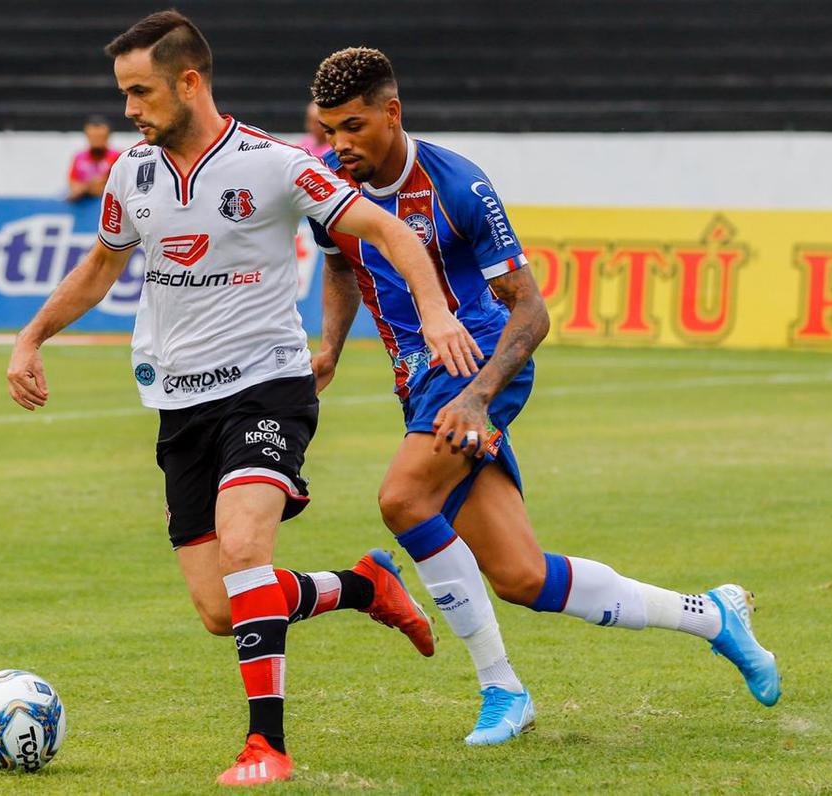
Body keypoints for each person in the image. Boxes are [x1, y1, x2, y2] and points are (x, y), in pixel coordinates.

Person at [6, 12, 486, 786]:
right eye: (124, 93)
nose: (129, 108)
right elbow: (100, 265)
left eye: (140, 92)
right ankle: (362, 585)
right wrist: (31, 338)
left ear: (188, 82)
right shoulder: (131, 173)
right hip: (180, 405)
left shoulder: (274, 165)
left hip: (267, 388)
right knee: (223, 609)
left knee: (243, 550)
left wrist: (434, 312)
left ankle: (267, 746)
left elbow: (391, 232)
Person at [307, 47, 782, 746]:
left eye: (353, 126)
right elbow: (340, 266)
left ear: (392, 113)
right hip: (419, 384)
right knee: (521, 577)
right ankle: (714, 616)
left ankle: (501, 688)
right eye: (329, 130)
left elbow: (531, 312)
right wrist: (330, 348)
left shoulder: (458, 186)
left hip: (475, 363)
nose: (340, 144)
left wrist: (478, 398)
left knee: (403, 499)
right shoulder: (327, 186)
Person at [67, 115, 120, 201]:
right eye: (93, 136)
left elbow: (115, 186)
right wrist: (89, 187)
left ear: (107, 136)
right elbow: (72, 183)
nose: (96, 140)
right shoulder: (79, 157)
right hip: (83, 202)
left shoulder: (117, 157)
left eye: (100, 136)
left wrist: (86, 187)